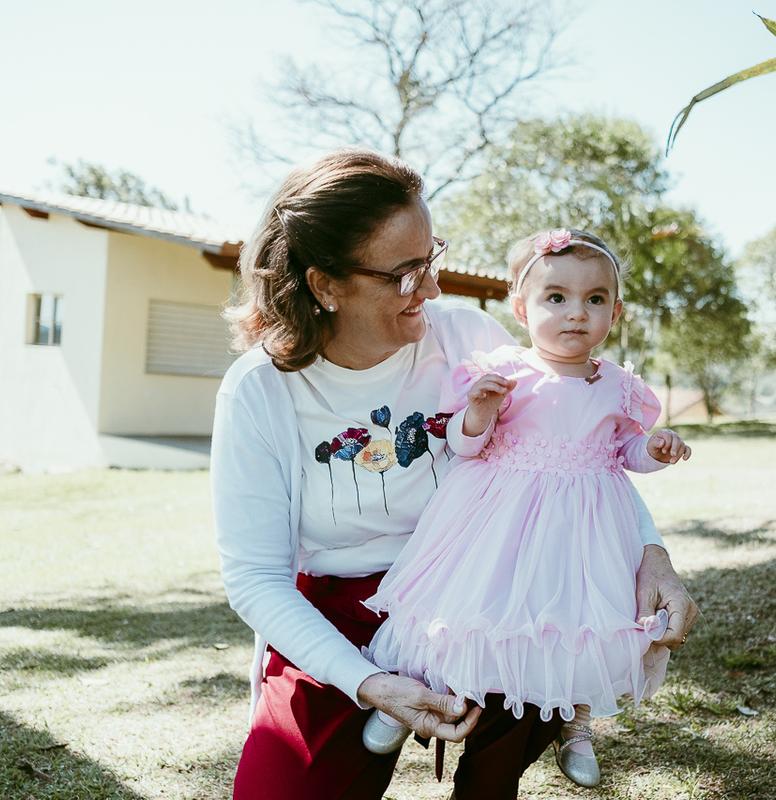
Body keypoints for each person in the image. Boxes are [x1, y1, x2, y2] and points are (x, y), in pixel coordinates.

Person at [212, 148, 699, 800]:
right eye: (404, 274)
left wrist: (651, 555)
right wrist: (365, 680)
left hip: (493, 592)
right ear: (325, 284)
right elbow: (254, 579)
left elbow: (572, 455)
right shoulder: (259, 391)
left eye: (431, 259)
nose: (435, 289)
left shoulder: (467, 336)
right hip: (335, 617)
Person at [359, 227, 691, 788]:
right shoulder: (503, 369)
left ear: (615, 312)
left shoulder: (619, 387)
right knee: (468, 611)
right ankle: (404, 693)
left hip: (580, 532)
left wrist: (654, 449)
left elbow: (622, 452)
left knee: (568, 622)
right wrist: (480, 410)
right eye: (555, 298)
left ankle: (572, 718)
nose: (575, 314)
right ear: (521, 307)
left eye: (595, 300)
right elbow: (465, 446)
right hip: (498, 523)